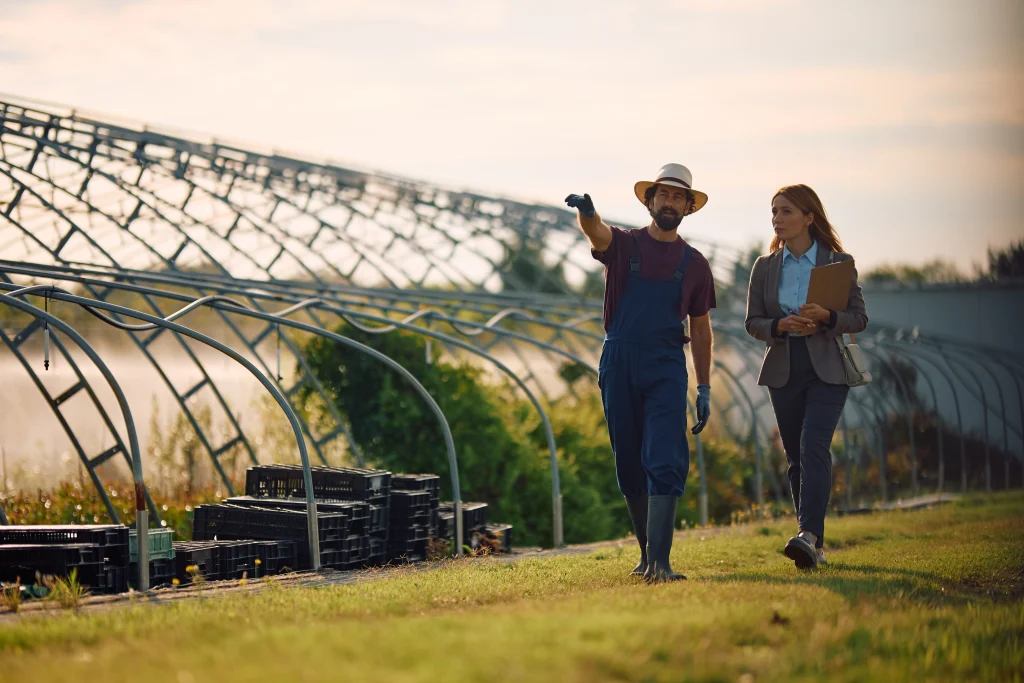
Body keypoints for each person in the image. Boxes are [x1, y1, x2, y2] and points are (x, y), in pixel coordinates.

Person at [565, 163, 716, 583]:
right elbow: (597, 233)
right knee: (628, 460)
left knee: (664, 458)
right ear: (650, 201)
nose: (670, 202)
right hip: (619, 359)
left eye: (678, 197)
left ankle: (662, 562)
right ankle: (646, 556)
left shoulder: (696, 264)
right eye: (663, 194)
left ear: (688, 207)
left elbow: (701, 330)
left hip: (666, 364)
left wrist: (704, 386)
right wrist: (587, 214)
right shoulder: (624, 245)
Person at [744, 184, 868, 569]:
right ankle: (813, 543)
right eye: (774, 211)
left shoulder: (838, 263)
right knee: (796, 456)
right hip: (783, 367)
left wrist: (827, 317)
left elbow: (859, 318)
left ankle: (808, 536)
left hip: (827, 367)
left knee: (814, 446)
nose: (777, 219)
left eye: (786, 211)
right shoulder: (765, 267)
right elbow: (752, 322)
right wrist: (780, 325)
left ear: (809, 217)